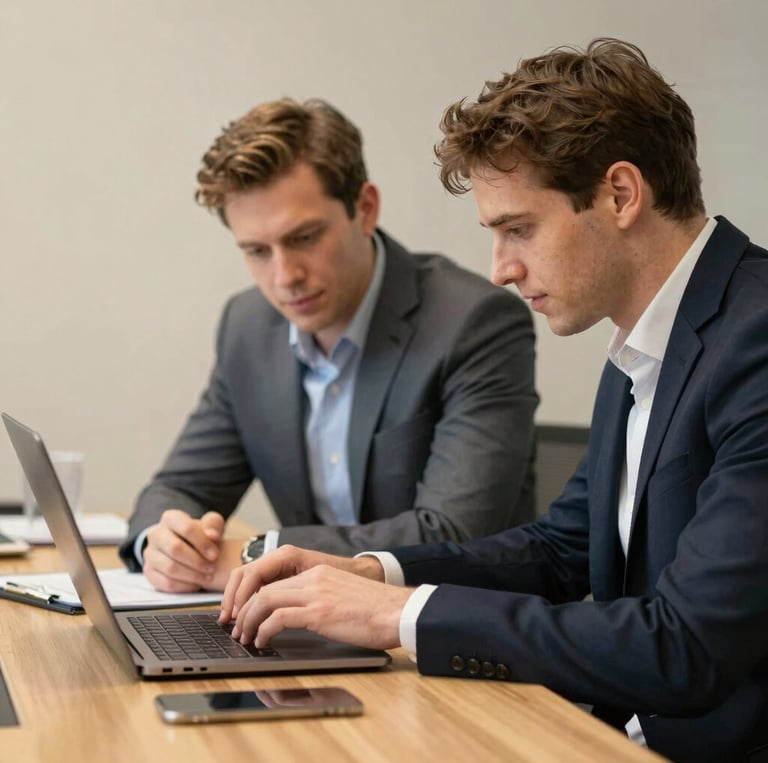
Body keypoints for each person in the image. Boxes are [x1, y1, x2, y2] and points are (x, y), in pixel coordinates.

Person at [218, 40, 768, 763]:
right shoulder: (650, 338)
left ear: (620, 194)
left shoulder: (754, 340)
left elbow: (686, 647)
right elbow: (561, 548)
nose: (501, 269)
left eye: (518, 229)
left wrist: (402, 614)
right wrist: (376, 573)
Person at [119, 98, 538, 594]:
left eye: (304, 237)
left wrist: (259, 554)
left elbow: (451, 533)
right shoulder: (248, 327)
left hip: (444, 622)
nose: (285, 277)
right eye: (257, 251)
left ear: (365, 209)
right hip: (308, 622)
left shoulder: (472, 322)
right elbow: (181, 487)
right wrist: (165, 543)